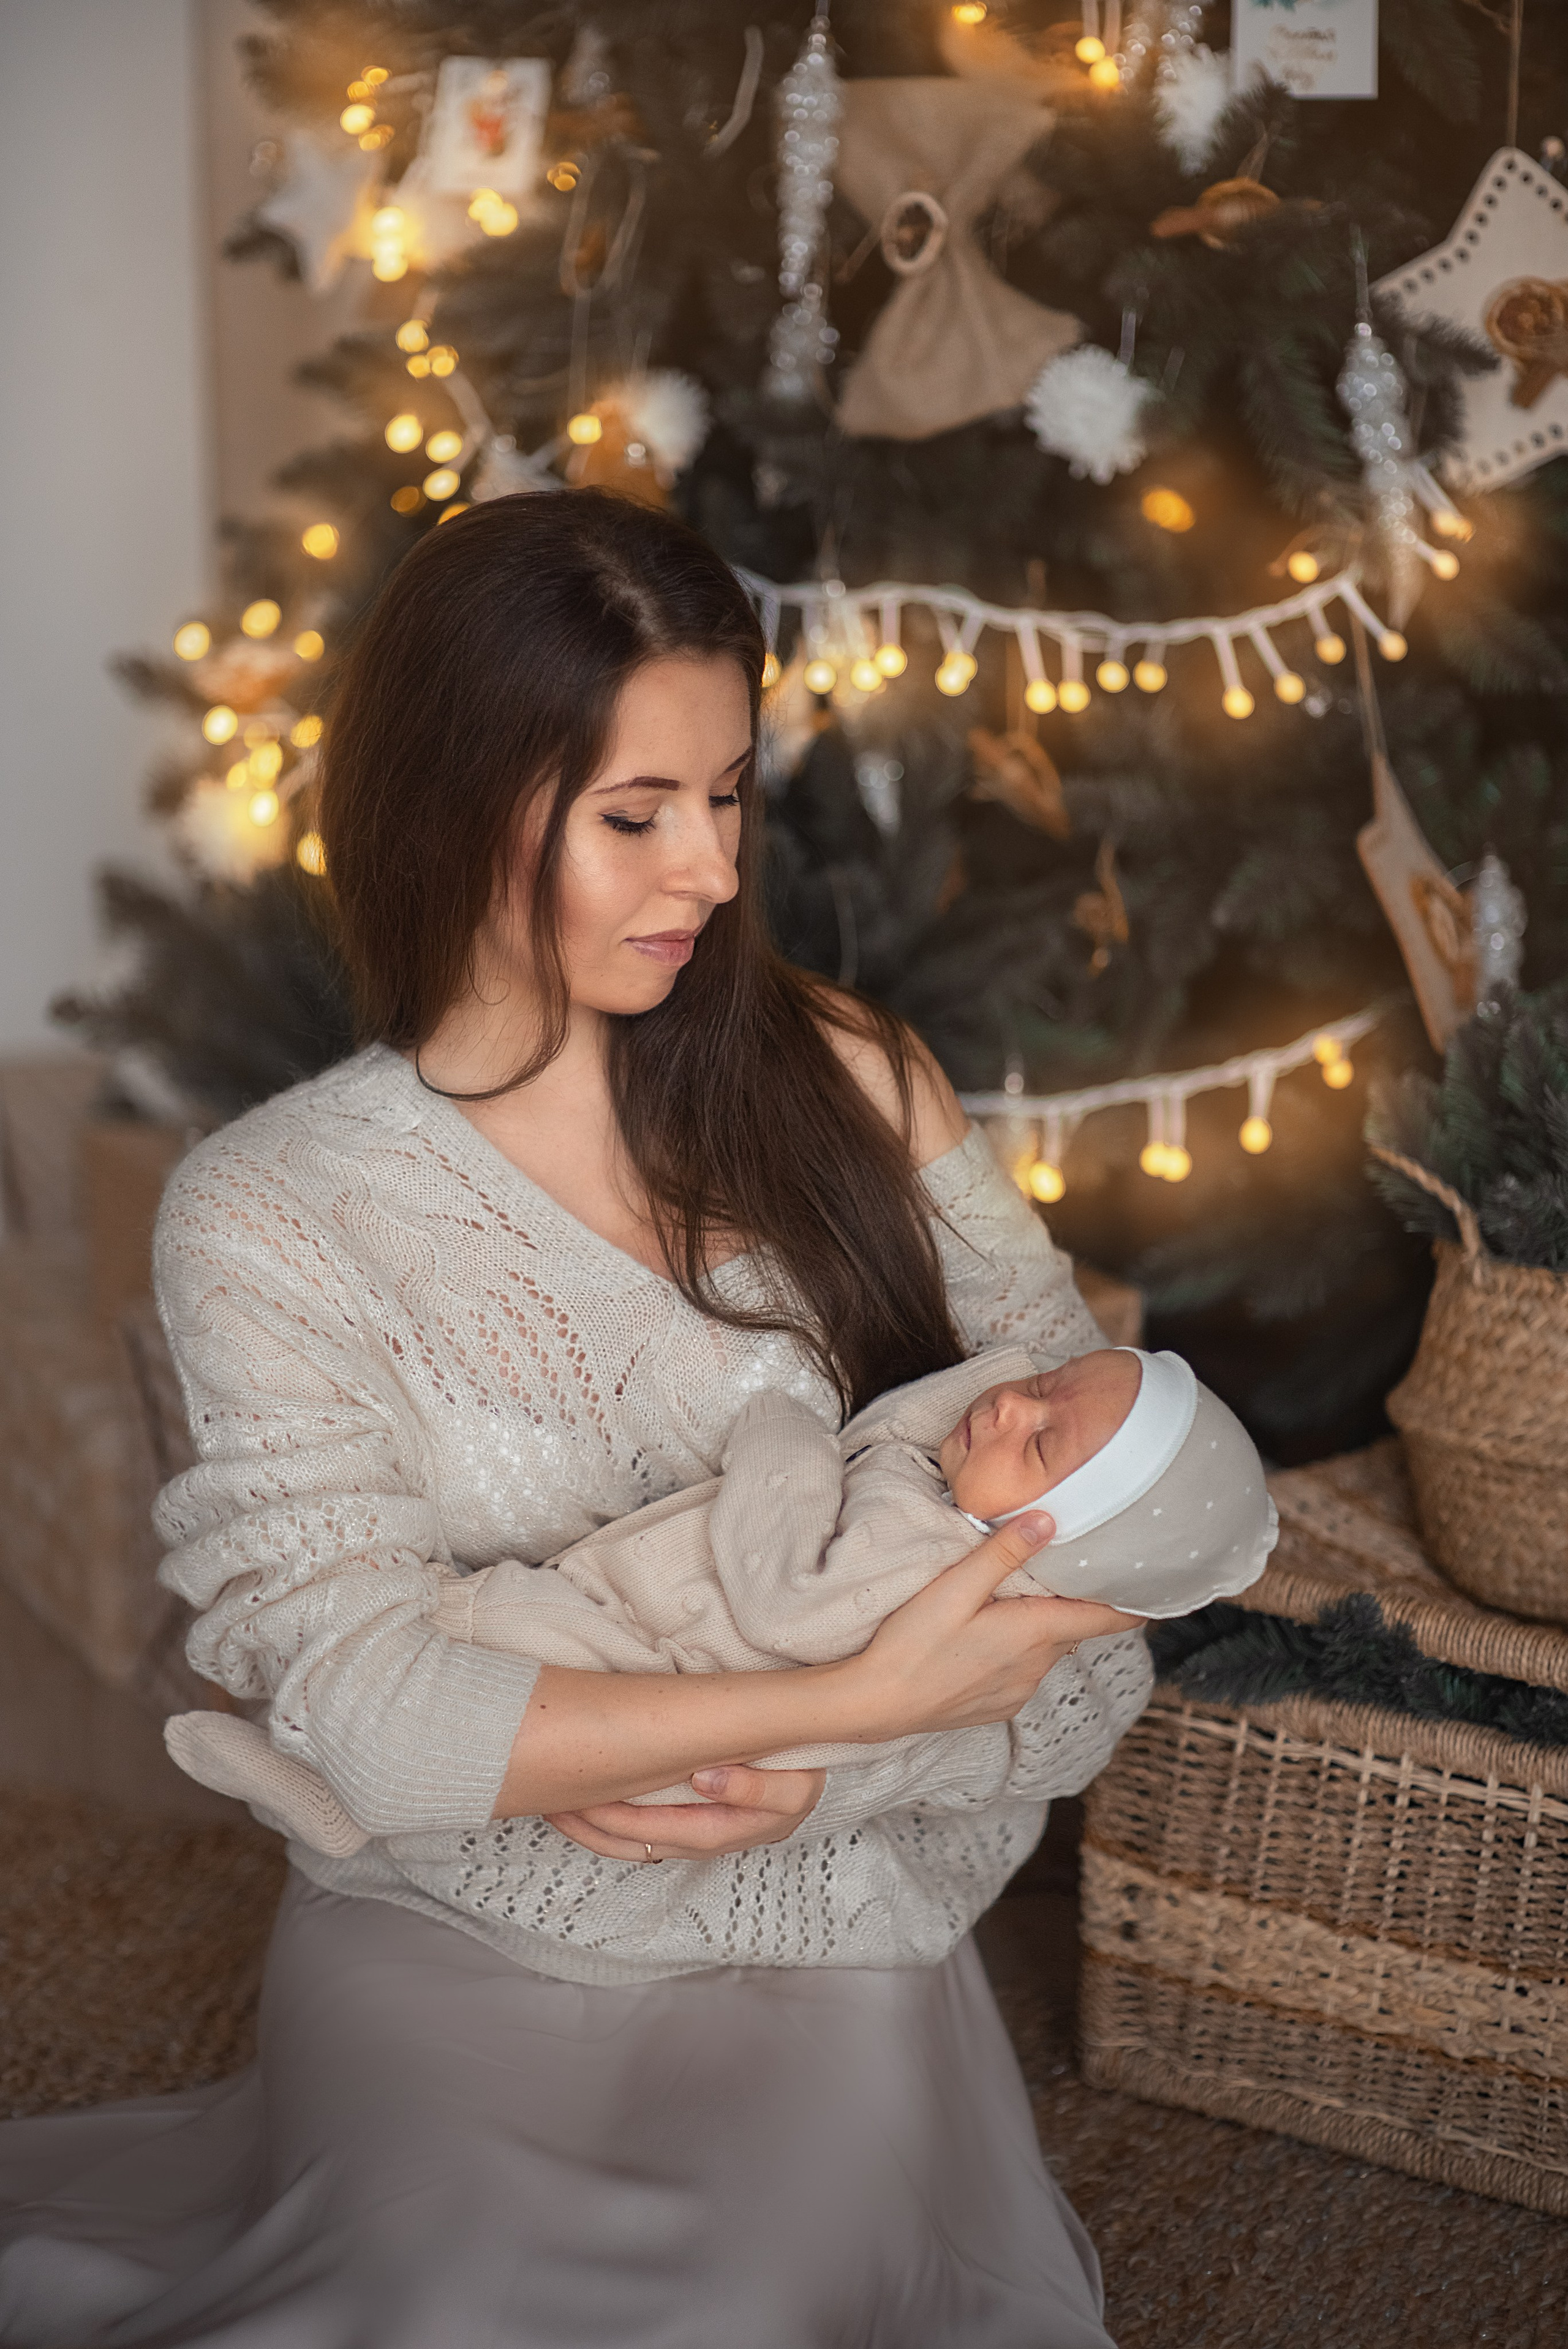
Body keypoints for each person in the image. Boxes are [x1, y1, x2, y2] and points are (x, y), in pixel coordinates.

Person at [0, 490, 1153, 2349]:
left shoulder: (859, 1084)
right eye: (634, 815)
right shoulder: (270, 1207)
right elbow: (365, 1713)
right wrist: (848, 1701)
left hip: (825, 1914)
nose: (705, 870)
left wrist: (847, 1777)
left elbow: (1109, 1617)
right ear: (456, 801)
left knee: (736, 2309)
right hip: (441, 1928)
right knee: (423, 2305)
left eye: (729, 795)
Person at [163, 1343, 1273, 1853]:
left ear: (1062, 1541)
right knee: (439, 1691)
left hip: (645, 1655)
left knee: (482, 1629)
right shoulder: (960, 1500)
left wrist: (784, 1438)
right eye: (1035, 1387)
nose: (1002, 1408)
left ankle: (326, 1789)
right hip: (661, 1663)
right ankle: (340, 1802)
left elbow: (790, 1597)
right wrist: (862, 1710)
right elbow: (918, 1422)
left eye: (1043, 1442)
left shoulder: (928, 1553)